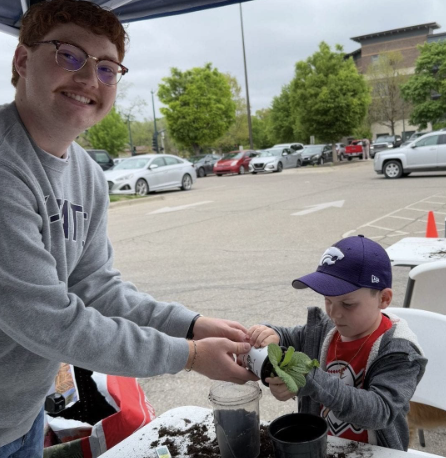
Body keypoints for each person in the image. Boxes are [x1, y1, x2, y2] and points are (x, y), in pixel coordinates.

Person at [0, 1, 256, 456]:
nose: (88, 79)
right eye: (69, 55)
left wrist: (191, 326)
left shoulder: (86, 173)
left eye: (106, 68)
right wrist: (190, 356)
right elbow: (50, 322)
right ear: (22, 60)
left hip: (21, 415)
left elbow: (96, 286)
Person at [248, 235, 427, 451]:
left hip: (376, 451)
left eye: (348, 304)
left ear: (384, 299)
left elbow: (379, 411)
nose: (334, 313)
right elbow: (287, 337)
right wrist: (271, 334)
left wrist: (308, 378)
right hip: (324, 446)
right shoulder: (324, 330)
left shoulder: (398, 351)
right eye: (327, 300)